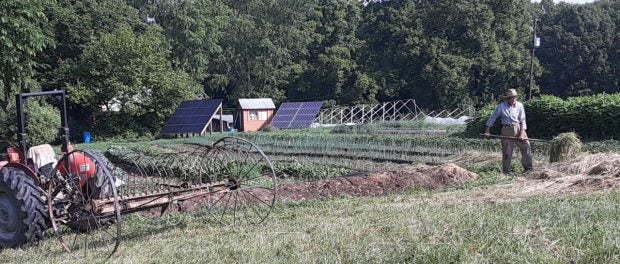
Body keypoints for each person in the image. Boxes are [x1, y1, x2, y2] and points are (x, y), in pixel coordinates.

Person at [484, 89, 533, 174]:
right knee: (507, 151)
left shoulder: (520, 105)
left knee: (526, 146)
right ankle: (506, 171)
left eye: (514, 97)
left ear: (516, 97)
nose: (513, 99)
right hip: (506, 129)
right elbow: (493, 117)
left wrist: (521, 134)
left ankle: (528, 168)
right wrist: (487, 131)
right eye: (511, 98)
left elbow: (522, 120)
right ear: (507, 98)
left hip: (518, 128)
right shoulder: (501, 106)